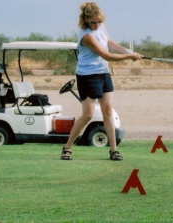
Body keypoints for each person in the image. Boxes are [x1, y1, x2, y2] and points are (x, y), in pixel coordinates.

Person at [61, 2, 143, 161]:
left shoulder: (101, 27)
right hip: (87, 76)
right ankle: (67, 147)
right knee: (88, 115)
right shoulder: (86, 36)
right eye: (93, 22)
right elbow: (107, 55)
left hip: (103, 73)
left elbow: (110, 43)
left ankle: (114, 150)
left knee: (108, 111)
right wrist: (129, 57)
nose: (97, 25)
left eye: (99, 21)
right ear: (85, 19)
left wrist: (129, 51)